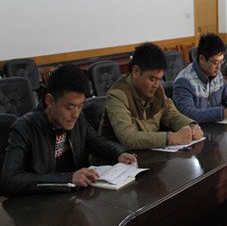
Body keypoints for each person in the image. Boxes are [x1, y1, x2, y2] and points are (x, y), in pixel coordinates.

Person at [1, 64, 136, 195]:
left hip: (74, 196)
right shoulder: (24, 128)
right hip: (40, 202)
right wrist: (67, 179)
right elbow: (10, 180)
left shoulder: (78, 119)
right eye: (69, 107)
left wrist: (119, 153)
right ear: (49, 100)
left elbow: (98, 144)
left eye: (80, 106)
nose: (75, 114)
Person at [100, 42, 203, 150]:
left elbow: (172, 116)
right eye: (152, 79)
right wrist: (170, 138)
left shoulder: (158, 90)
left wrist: (191, 126)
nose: (156, 85)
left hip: (147, 154)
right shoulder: (118, 95)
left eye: (160, 79)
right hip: (114, 158)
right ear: (136, 71)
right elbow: (128, 138)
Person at [173, 33, 227, 123]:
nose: (219, 67)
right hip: (198, 129)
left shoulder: (216, 74)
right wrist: (222, 113)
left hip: (217, 126)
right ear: (202, 59)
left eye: (221, 62)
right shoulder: (184, 81)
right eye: (216, 63)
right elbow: (188, 113)